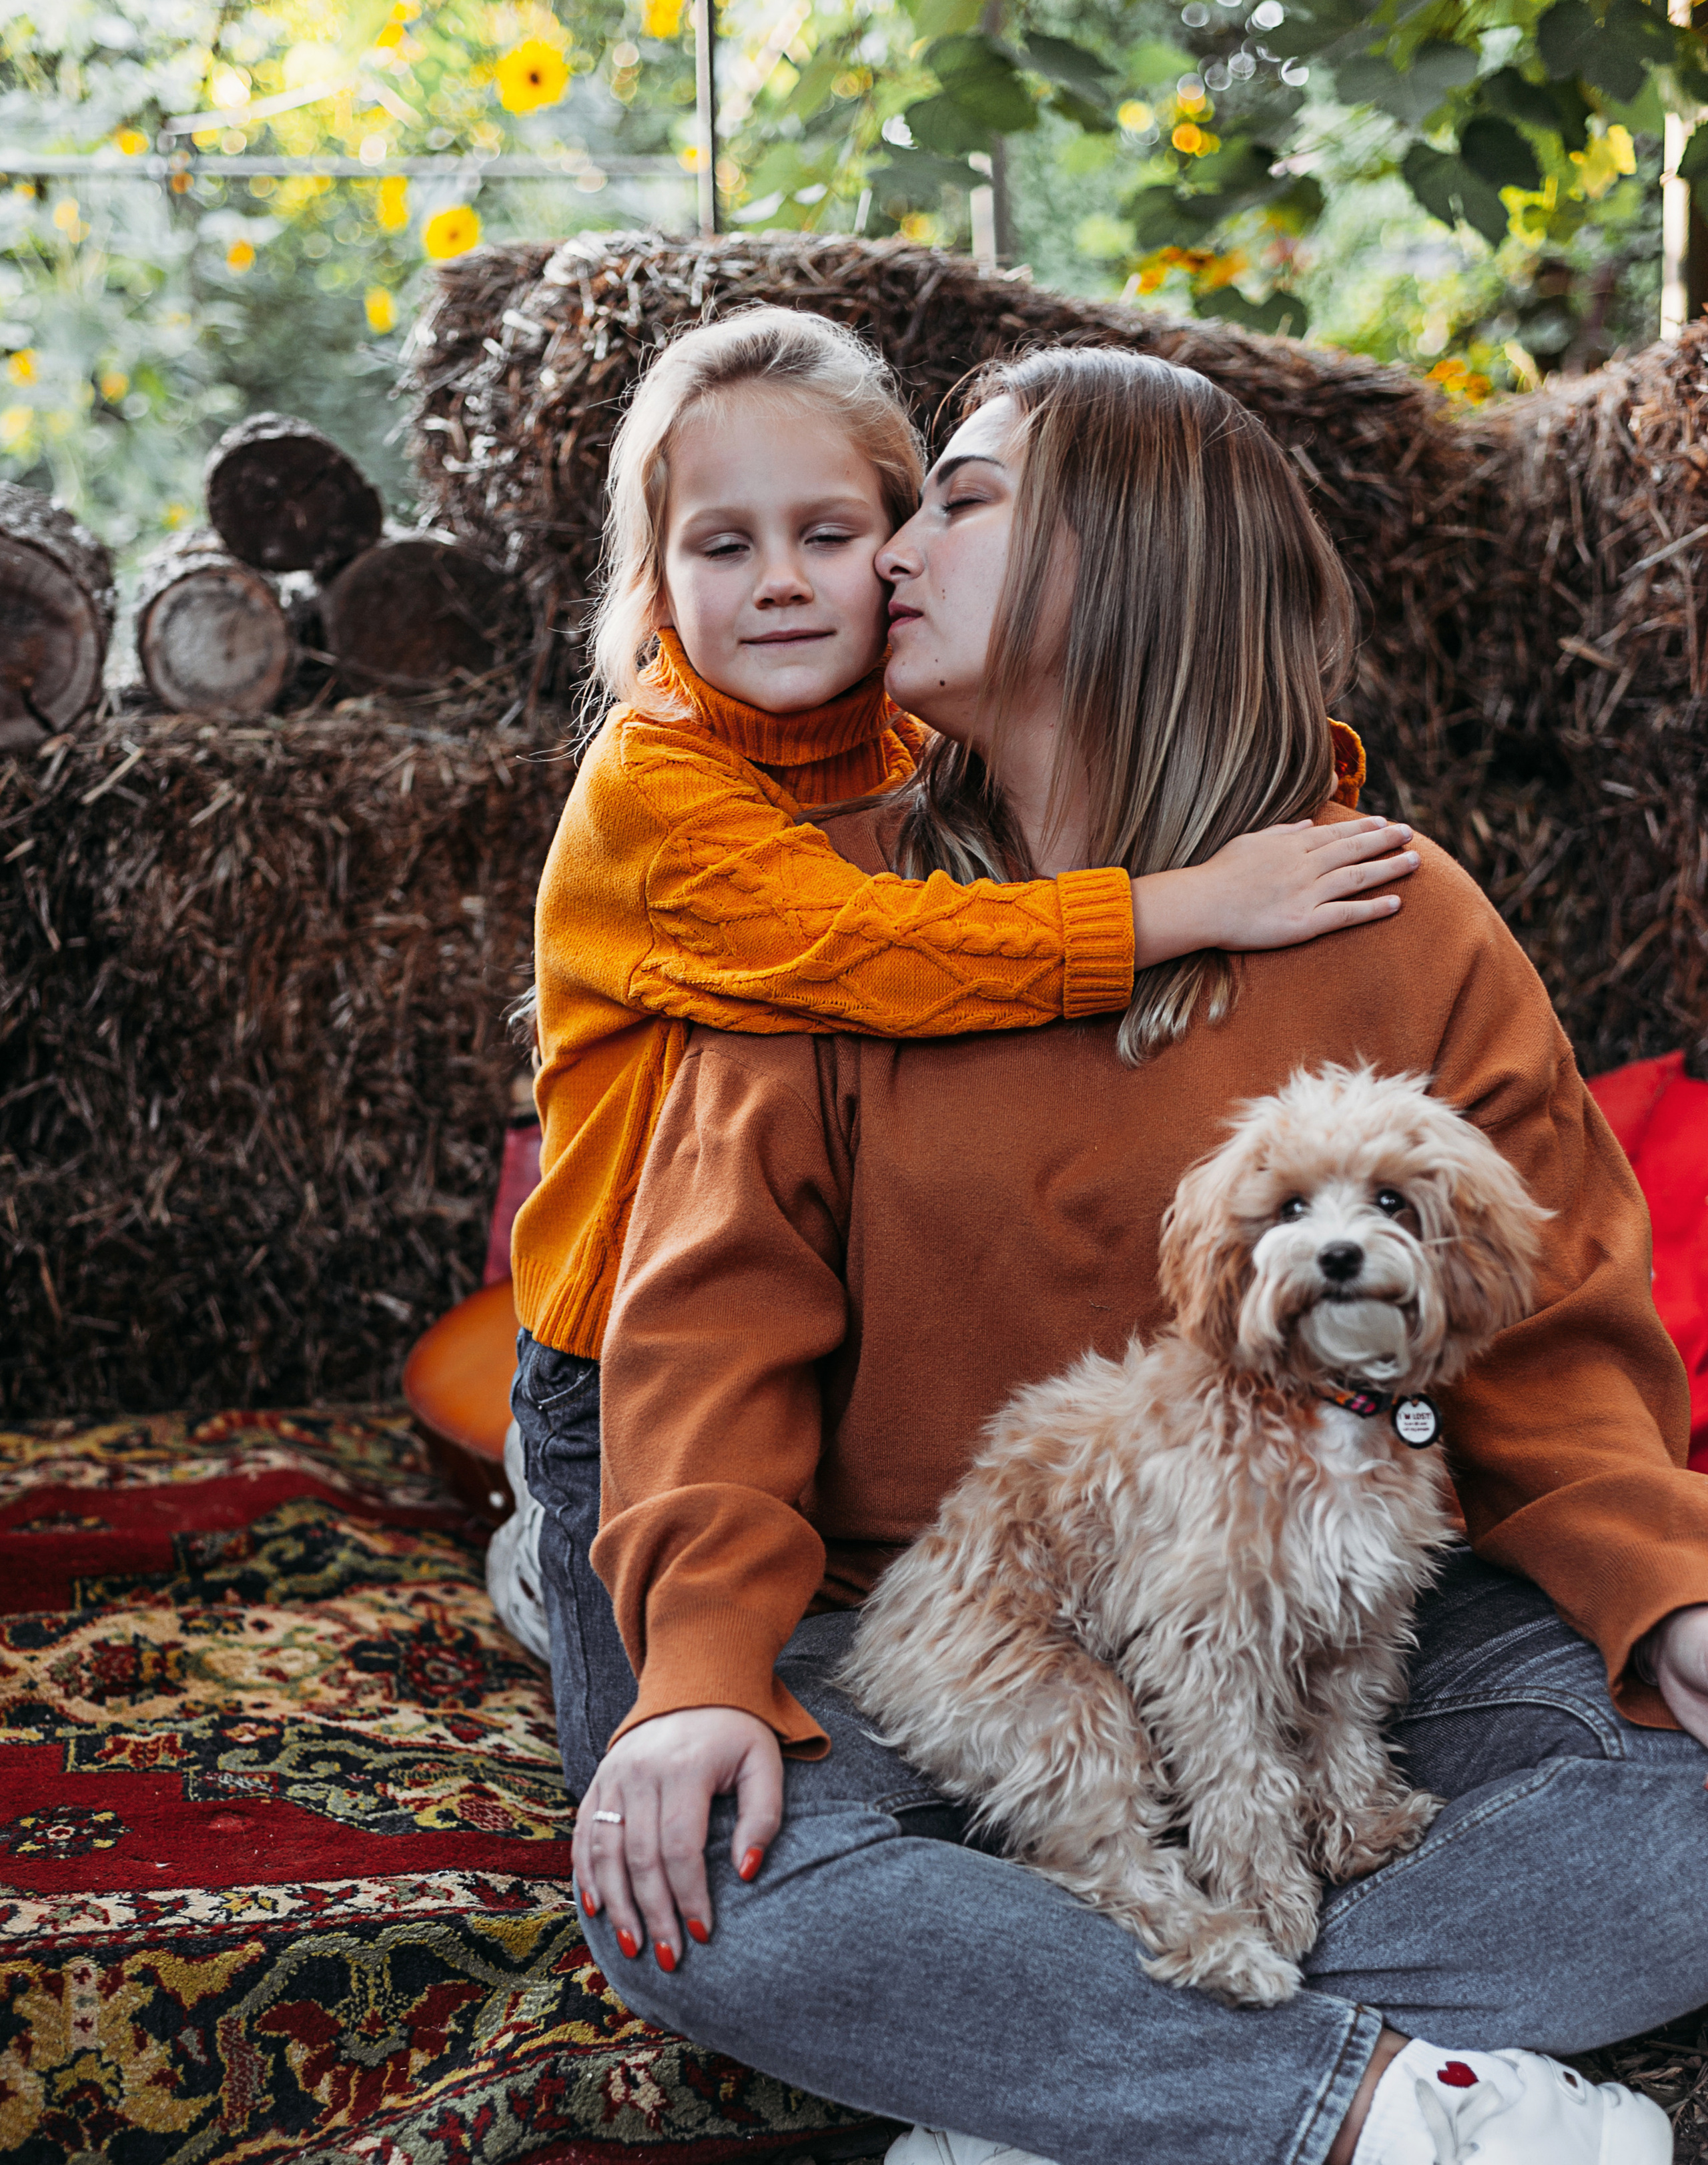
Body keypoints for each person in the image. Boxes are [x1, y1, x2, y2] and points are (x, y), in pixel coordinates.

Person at [568, 348, 1708, 2165]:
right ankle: (1426, 2108)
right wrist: (699, 1673)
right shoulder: (833, 903)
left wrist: (1662, 1597)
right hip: (912, 1601)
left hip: (1356, 1577)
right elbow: (704, 1342)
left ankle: (1037, 2073)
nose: (887, 547)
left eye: (961, 498)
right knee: (700, 1903)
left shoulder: (1398, 910)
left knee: (1693, 1819)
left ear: (1131, 558)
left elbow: (1551, 1333)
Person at [500, 306, 1416, 1765]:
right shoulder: (655, 799)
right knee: (642, 1745)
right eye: (721, 546)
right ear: (654, 581)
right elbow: (877, 952)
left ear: (899, 538)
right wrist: (1184, 903)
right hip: (622, 1349)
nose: (783, 583)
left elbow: (1123, 745)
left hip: (820, 1316)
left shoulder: (912, 738)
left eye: (827, 533)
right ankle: (547, 1553)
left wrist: (1283, 809)